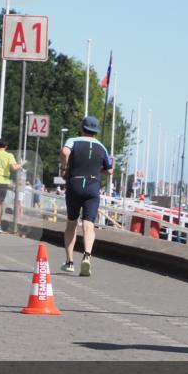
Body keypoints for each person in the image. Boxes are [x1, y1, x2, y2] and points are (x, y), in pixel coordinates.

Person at [59, 116, 114, 276]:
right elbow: (110, 170)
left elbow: (64, 152)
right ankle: (87, 256)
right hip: (92, 186)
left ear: (82, 128)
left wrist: (63, 168)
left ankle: (69, 262)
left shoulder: (73, 140)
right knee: (88, 224)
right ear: (95, 132)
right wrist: (98, 170)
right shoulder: (102, 147)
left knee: (71, 223)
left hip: (75, 184)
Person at [0, 138, 24, 234]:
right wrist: (21, 164)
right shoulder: (9, 155)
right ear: (6, 147)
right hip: (4, 181)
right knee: (0, 204)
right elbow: (14, 167)